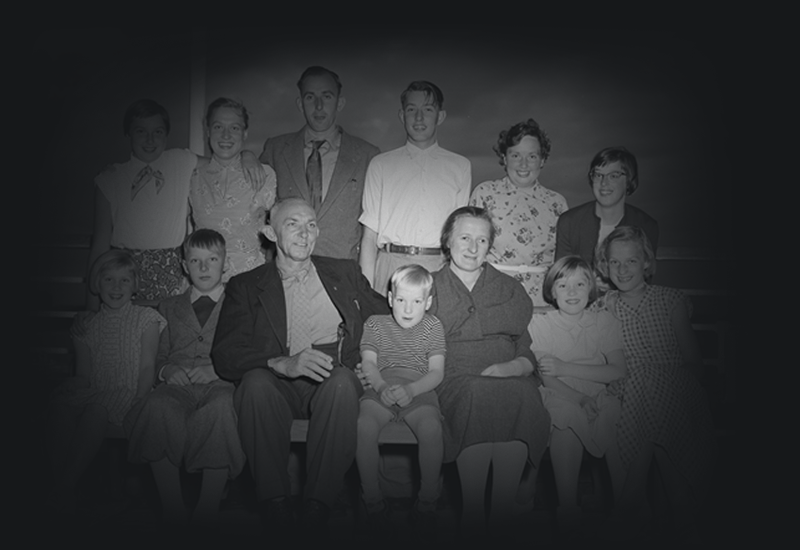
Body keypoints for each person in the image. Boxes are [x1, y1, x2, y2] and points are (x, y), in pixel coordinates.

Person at [211, 198, 388, 540]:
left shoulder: (344, 272)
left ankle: (317, 507)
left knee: (340, 383)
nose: (305, 234)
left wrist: (370, 363)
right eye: (293, 224)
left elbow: (384, 321)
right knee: (255, 384)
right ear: (270, 233)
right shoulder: (246, 286)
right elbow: (227, 354)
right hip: (276, 379)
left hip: (331, 373)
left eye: (311, 225)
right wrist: (281, 363)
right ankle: (275, 504)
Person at [429, 206, 550, 536]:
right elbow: (421, 336)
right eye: (465, 238)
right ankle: (472, 514)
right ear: (447, 241)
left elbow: (523, 344)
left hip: (509, 375)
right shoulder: (428, 286)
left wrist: (515, 365)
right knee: (478, 391)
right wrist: (494, 321)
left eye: (481, 240)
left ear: (490, 245)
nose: (472, 247)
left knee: (521, 391)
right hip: (453, 378)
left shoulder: (508, 287)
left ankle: (501, 515)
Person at [86, 99, 266, 311]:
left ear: (166, 134)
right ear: (128, 133)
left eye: (158, 132)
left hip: (172, 275)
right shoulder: (110, 178)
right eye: (141, 131)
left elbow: (223, 161)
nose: (150, 139)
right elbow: (99, 245)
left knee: (167, 338)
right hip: (124, 276)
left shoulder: (180, 161)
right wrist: (90, 307)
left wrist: (248, 155)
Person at [594, 226, 715, 537]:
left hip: (678, 389)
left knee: (651, 387)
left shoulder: (669, 300)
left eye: (631, 261)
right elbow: (603, 364)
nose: (622, 269)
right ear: (605, 266)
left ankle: (631, 500)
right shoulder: (605, 306)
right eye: (614, 262)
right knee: (642, 388)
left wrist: (663, 380)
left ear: (646, 262)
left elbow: (695, 365)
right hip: (628, 391)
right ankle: (680, 504)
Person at [125, 229, 245, 529]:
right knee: (158, 406)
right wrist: (167, 371)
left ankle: (208, 506)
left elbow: (247, 353)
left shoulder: (239, 303)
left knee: (221, 410)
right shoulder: (169, 306)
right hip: (177, 385)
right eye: (195, 261)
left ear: (225, 263)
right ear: (183, 265)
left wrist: (219, 370)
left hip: (221, 383)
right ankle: (172, 506)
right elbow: (159, 356)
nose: (204, 268)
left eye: (212, 259)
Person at [46, 250, 165, 515]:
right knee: (59, 406)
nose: (116, 287)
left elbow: (148, 365)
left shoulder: (146, 319)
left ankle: (64, 487)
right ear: (96, 284)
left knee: (96, 411)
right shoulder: (85, 326)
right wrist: (70, 385)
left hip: (128, 392)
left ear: (135, 285)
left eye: (124, 280)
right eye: (108, 279)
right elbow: (84, 376)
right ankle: (62, 486)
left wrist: (141, 397)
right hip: (95, 391)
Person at [528, 255, 627, 533]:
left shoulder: (604, 322)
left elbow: (617, 371)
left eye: (579, 284)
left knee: (615, 415)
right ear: (551, 290)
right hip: (558, 393)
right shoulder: (541, 325)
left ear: (591, 289)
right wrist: (580, 398)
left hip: (600, 391)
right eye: (563, 285)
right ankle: (567, 508)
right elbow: (547, 376)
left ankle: (624, 506)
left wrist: (566, 367)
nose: (571, 292)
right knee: (566, 419)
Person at [356, 264, 446, 540]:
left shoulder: (433, 326)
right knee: (363, 426)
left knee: (432, 428)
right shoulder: (375, 323)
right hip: (380, 385)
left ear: (428, 302)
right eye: (402, 300)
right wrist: (381, 386)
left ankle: (427, 502)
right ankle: (372, 500)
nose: (408, 309)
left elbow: (437, 372)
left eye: (417, 301)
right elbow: (368, 363)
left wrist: (412, 389)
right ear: (391, 298)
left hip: (419, 390)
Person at [359, 80, 471, 296]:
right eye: (412, 110)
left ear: (440, 116)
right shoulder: (381, 165)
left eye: (428, 110)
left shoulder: (460, 166)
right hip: (389, 268)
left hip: (437, 269)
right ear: (402, 116)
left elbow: (459, 236)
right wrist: (366, 293)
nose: (419, 118)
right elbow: (369, 237)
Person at [260, 66, 379, 261]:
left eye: (327, 96)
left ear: (340, 103)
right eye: (310, 97)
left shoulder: (368, 155)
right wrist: (245, 156)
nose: (318, 106)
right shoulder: (276, 149)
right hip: (286, 274)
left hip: (343, 274)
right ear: (300, 103)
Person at [469, 118, 567, 308]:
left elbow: (562, 262)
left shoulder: (557, 203)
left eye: (532, 156)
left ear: (543, 160)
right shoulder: (484, 194)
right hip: (494, 296)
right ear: (504, 158)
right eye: (515, 156)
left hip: (542, 301)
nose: (523, 164)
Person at [190, 98, 277, 280]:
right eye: (218, 127)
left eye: (235, 128)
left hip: (251, 282)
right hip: (204, 282)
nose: (226, 135)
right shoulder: (192, 177)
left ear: (245, 133)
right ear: (208, 131)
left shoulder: (265, 175)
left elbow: (279, 229)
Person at [555, 146, 658, 267]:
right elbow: (561, 277)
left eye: (613, 176)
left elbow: (644, 278)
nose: (604, 183)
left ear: (629, 180)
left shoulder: (646, 226)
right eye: (598, 175)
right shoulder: (569, 222)